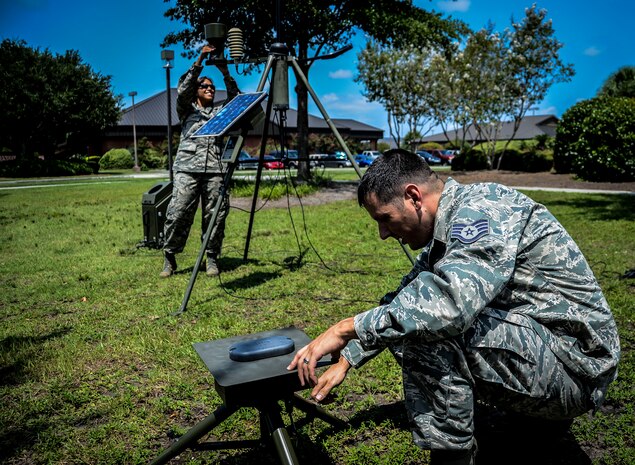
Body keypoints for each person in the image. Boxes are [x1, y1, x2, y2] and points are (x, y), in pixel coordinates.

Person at [288, 149, 620, 464]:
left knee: (426, 329)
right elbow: (402, 300)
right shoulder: (448, 226)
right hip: (549, 355)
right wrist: (347, 358)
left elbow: (447, 306)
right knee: (410, 312)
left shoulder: (481, 209)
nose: (383, 234)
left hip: (576, 371)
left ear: (414, 197)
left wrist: (346, 328)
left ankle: (452, 457)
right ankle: (532, 421)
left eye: (385, 218)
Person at [160, 44, 240, 278]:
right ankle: (170, 257)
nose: (210, 89)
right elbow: (183, 89)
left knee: (216, 215)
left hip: (215, 169)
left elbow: (237, 101)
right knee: (178, 212)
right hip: (187, 169)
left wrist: (225, 72)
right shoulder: (186, 109)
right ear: (196, 90)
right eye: (204, 86)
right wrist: (200, 60)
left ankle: (212, 258)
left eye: (212, 87)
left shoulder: (219, 112)